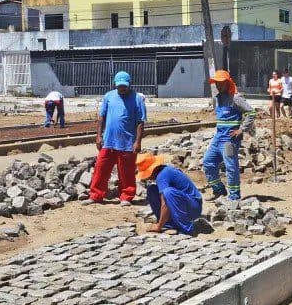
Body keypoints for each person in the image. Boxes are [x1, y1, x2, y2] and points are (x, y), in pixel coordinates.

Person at [86, 71, 146, 206]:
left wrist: (137, 141)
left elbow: (140, 122)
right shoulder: (109, 96)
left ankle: (126, 196)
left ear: (129, 84)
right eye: (119, 86)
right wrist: (98, 136)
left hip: (127, 142)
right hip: (108, 141)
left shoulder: (137, 99)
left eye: (124, 86)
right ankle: (96, 195)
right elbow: (102, 117)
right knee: (100, 168)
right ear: (115, 85)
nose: (122, 89)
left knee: (126, 172)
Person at [203, 69, 256, 201]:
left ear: (227, 83)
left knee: (231, 167)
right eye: (216, 83)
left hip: (229, 139)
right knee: (208, 162)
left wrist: (242, 129)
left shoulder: (236, 98)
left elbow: (251, 113)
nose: (217, 85)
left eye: (220, 83)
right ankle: (219, 190)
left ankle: (234, 196)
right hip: (218, 137)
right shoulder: (217, 99)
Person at [136, 153, 204, 234]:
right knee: (152, 190)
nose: (147, 177)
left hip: (193, 207)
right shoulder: (163, 171)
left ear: (153, 170)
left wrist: (158, 226)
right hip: (187, 204)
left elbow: (165, 203)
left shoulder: (163, 176)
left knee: (168, 193)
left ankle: (187, 229)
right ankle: (168, 224)